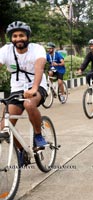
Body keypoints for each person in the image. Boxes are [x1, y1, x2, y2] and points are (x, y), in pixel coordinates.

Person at [0, 21, 48, 165]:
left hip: (37, 86)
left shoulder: (37, 49)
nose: (18, 38)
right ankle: (21, 150)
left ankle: (38, 135)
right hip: (17, 89)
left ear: (27, 36)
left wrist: (34, 88)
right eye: (15, 36)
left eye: (21, 35)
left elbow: (39, 67)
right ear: (11, 38)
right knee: (5, 127)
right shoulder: (5, 50)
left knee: (28, 103)